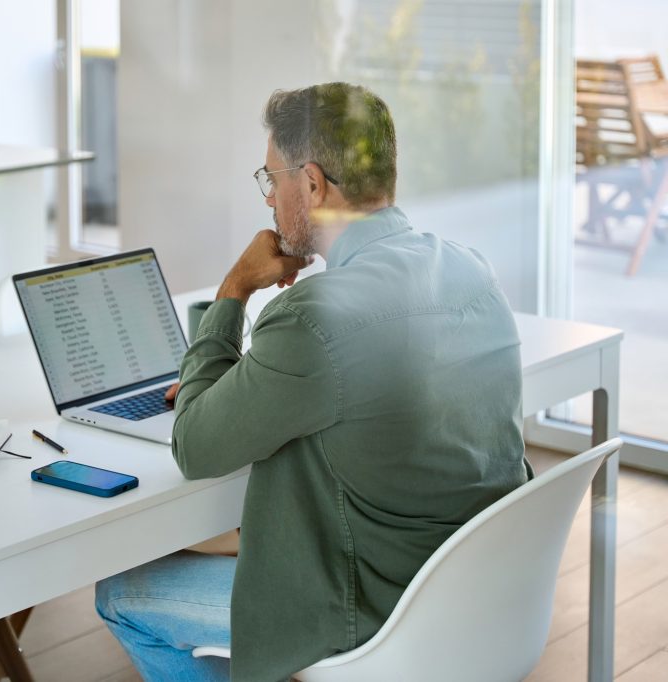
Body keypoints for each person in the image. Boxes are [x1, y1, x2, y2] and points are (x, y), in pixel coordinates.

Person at [95, 82, 531, 682]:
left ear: (315, 184)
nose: (270, 198)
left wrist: (232, 290)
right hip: (477, 591)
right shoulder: (470, 268)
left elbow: (194, 447)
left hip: (372, 610)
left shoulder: (313, 318)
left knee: (122, 595)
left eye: (272, 179)